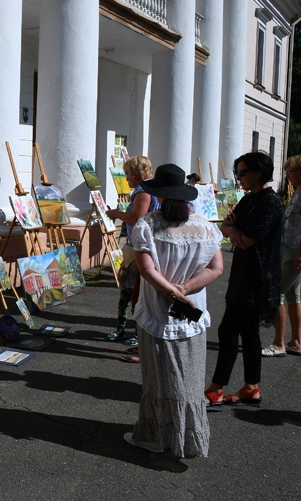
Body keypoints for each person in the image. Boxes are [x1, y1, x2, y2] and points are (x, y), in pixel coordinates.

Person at [123, 164, 223, 458]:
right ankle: (188, 440)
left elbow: (145, 268)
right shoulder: (205, 226)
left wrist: (171, 291)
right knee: (189, 379)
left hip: (158, 313)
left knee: (157, 379)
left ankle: (155, 436)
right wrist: (186, 289)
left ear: (160, 195)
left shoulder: (148, 225)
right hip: (191, 315)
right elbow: (216, 268)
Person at [204, 152, 283, 410]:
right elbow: (226, 228)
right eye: (237, 173)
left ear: (258, 173)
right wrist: (233, 231)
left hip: (257, 277)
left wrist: (233, 231)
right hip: (243, 273)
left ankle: (216, 388)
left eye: (242, 172)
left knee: (228, 330)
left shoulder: (270, 202)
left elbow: (247, 239)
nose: (239, 178)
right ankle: (251, 388)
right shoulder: (250, 199)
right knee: (248, 333)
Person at [262, 155, 301, 357]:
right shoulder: (300, 189)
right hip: (288, 248)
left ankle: (279, 344)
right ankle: (295, 342)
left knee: (276, 292)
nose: (287, 175)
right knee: (292, 296)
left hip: (297, 251)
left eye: (290, 171)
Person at [105, 156, 160, 356]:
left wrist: (117, 214)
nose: (126, 178)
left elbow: (137, 217)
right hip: (138, 246)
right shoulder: (148, 189)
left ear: (138, 173)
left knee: (133, 292)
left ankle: (136, 334)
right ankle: (123, 329)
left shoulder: (143, 191)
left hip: (139, 248)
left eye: (128, 173)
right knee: (129, 290)